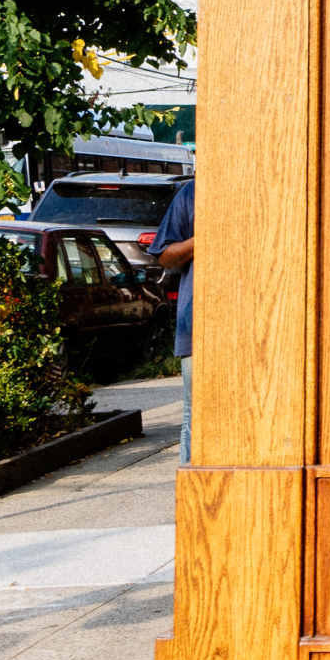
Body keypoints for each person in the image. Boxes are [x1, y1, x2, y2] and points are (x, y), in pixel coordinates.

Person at [152, 175, 195, 460]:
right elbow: (164, 255)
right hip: (197, 328)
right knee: (196, 416)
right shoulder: (193, 193)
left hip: (259, 329)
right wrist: (201, 239)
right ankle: (191, 497)